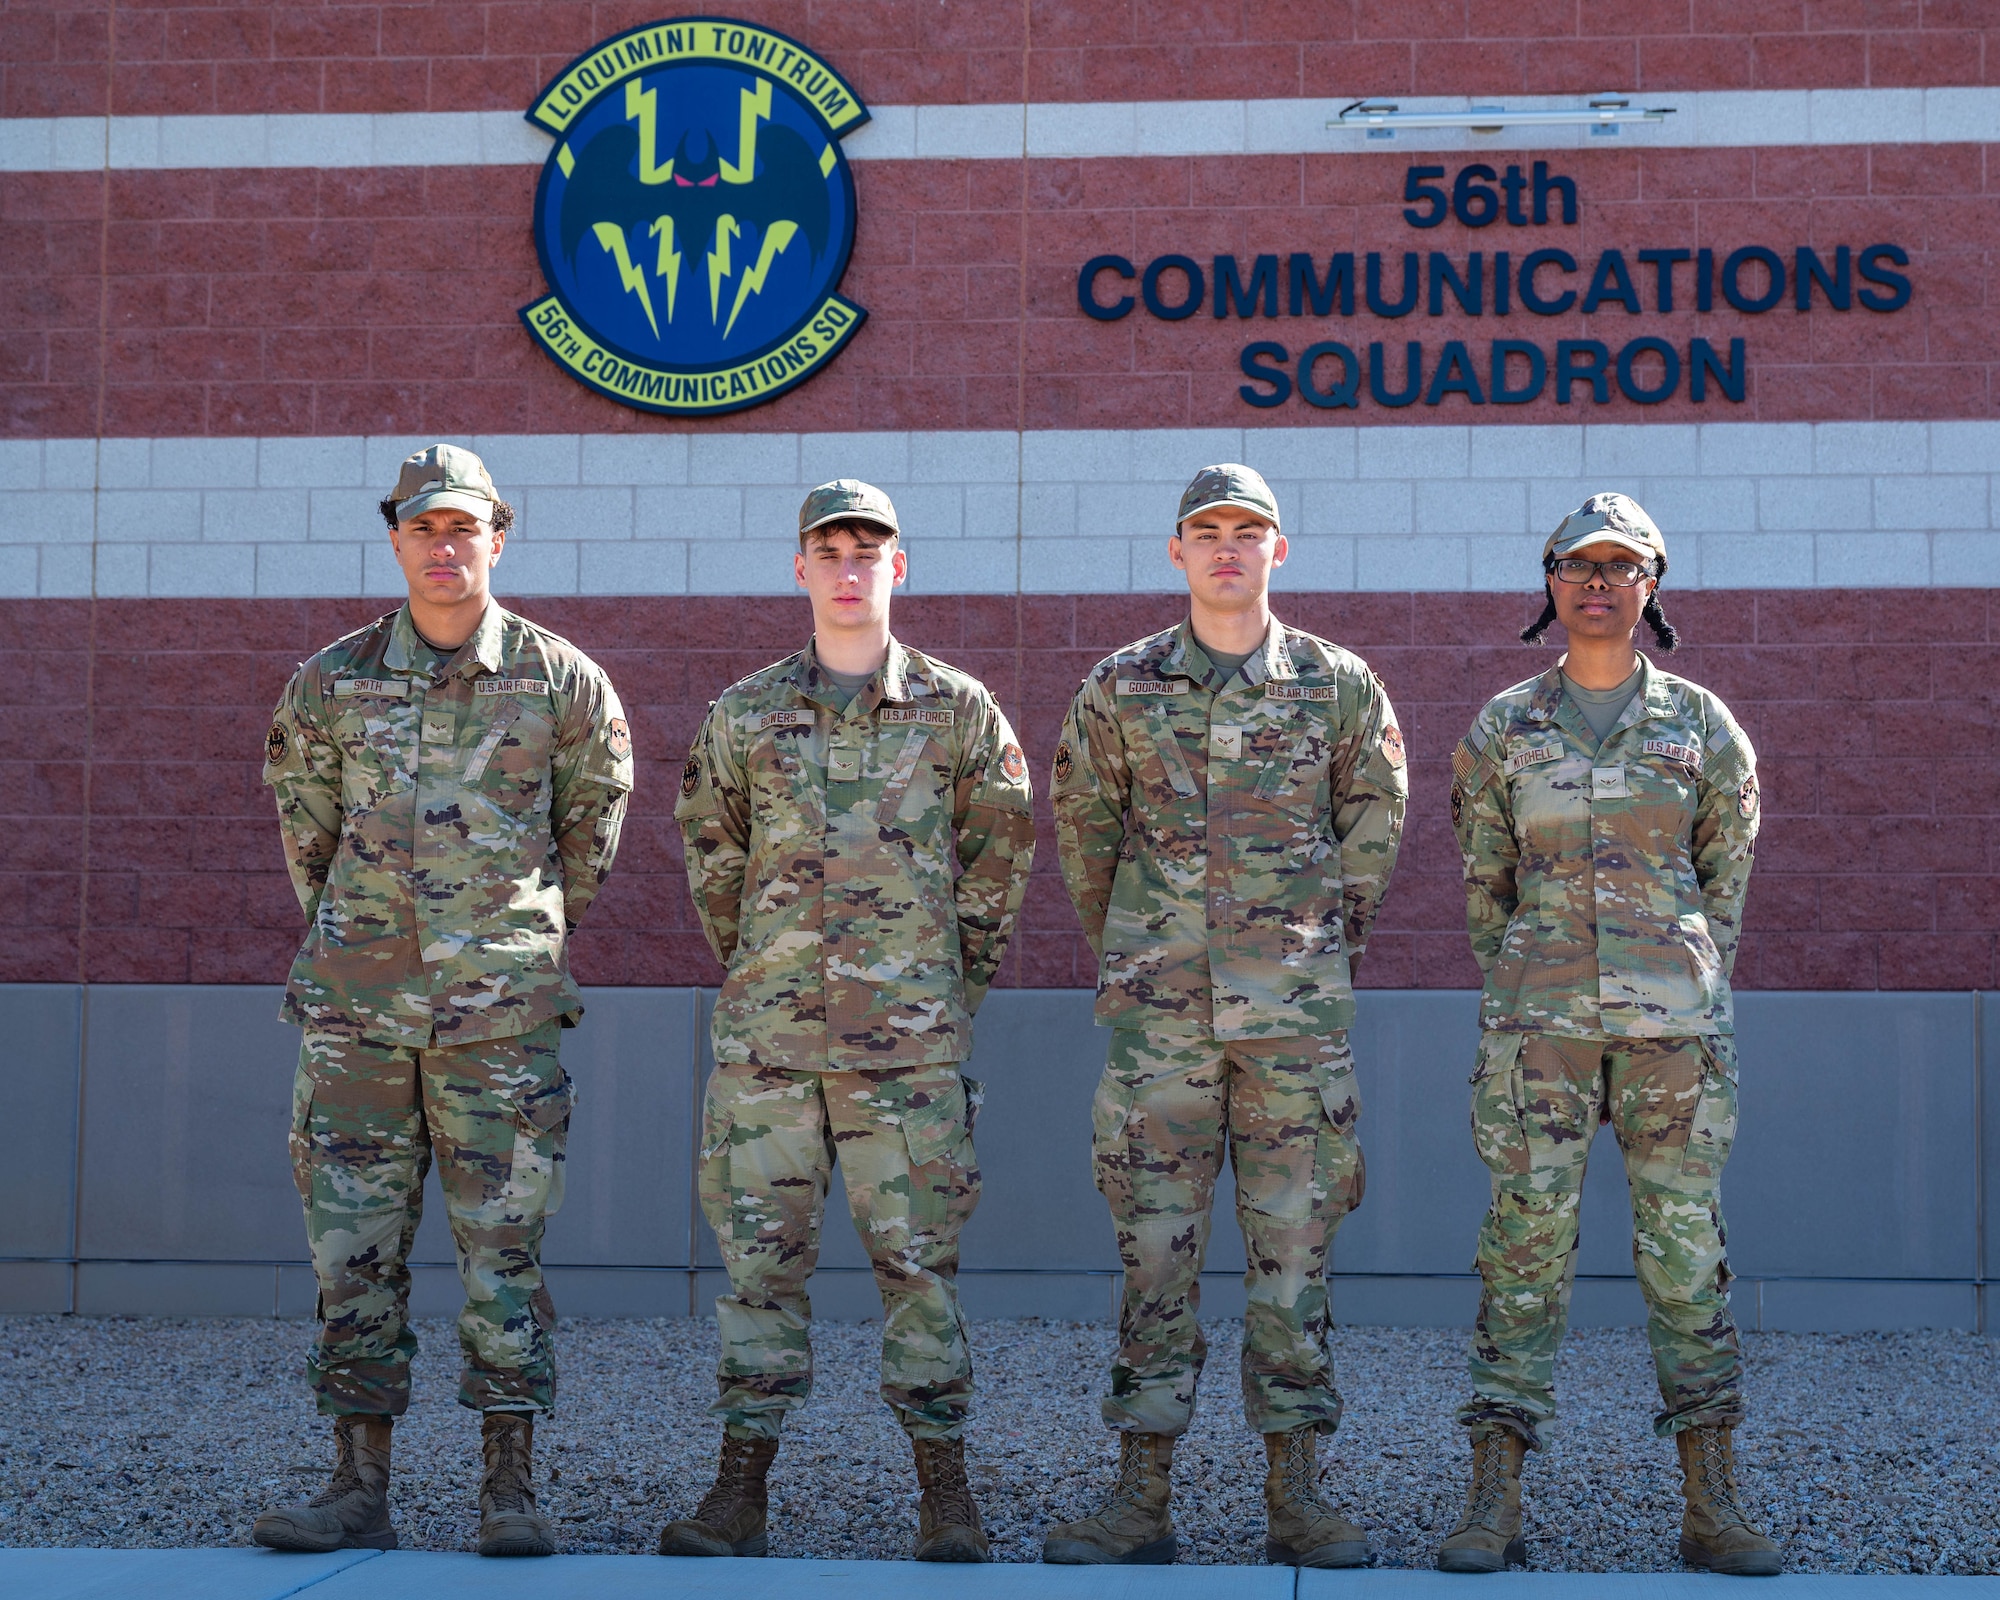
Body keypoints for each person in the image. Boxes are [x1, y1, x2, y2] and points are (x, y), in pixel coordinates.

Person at [253, 443, 633, 1559]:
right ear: (396, 539)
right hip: (358, 1016)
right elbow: (306, 836)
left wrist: (508, 939)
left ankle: (508, 1487)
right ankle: (357, 1481)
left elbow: (587, 841)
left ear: (497, 538)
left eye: (465, 526)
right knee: (351, 1252)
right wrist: (372, 941)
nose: (445, 545)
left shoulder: (561, 683)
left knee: (502, 1252)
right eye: (425, 527)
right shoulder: (331, 682)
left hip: (499, 1022)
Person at [1044, 464, 1407, 1568]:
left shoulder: (1338, 687)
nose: (1226, 549)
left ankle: (1295, 1497)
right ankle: (1140, 1499)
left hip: (1291, 1025)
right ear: (1174, 551)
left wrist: (1297, 950)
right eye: (1205, 531)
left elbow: (1371, 836)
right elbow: (1082, 836)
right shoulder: (1117, 687)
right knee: (1153, 1251)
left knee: (1293, 1254)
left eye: (1248, 532)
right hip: (1160, 1022)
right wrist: (1150, 947)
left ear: (1278, 551)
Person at [667, 479, 1035, 1563]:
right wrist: (764, 971)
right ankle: (738, 1494)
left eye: (867, 549)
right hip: (768, 1050)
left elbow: (999, 862)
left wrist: (937, 988)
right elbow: (711, 857)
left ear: (898, 567)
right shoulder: (742, 713)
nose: (847, 566)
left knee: (920, 1272)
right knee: (757, 1274)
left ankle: (945, 1495)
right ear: (798, 568)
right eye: (827, 548)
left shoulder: (956, 712)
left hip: (906, 1052)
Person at [1439, 492, 1779, 1577]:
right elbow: (1483, 886)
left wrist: (1680, 974)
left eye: (1618, 565)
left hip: (1671, 1036)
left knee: (1685, 1258)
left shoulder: (1700, 725)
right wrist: (1527, 978)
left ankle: (1710, 1501)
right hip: (1536, 1031)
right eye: (1574, 564)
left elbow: (1721, 879)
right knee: (1521, 1252)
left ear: (1650, 585)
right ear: (1546, 585)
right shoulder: (1501, 728)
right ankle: (1492, 1497)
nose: (1595, 581)